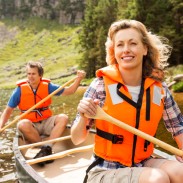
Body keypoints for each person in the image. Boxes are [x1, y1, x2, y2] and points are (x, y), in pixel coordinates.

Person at [71, 19, 183, 183]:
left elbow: (178, 127)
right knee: (157, 179)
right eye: (120, 45)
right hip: (105, 169)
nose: (126, 50)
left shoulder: (159, 89)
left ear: (145, 49)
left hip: (143, 161)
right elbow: (76, 138)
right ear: (114, 51)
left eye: (133, 43)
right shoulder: (101, 86)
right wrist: (82, 116)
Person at [0, 61, 86, 166]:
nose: (30, 76)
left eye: (33, 74)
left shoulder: (48, 86)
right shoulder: (19, 90)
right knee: (22, 124)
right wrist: (1, 126)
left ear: (40, 75)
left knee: (63, 117)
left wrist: (78, 79)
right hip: (31, 125)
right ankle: (43, 147)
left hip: (46, 121)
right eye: (29, 74)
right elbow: (8, 110)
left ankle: (47, 147)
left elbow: (69, 91)